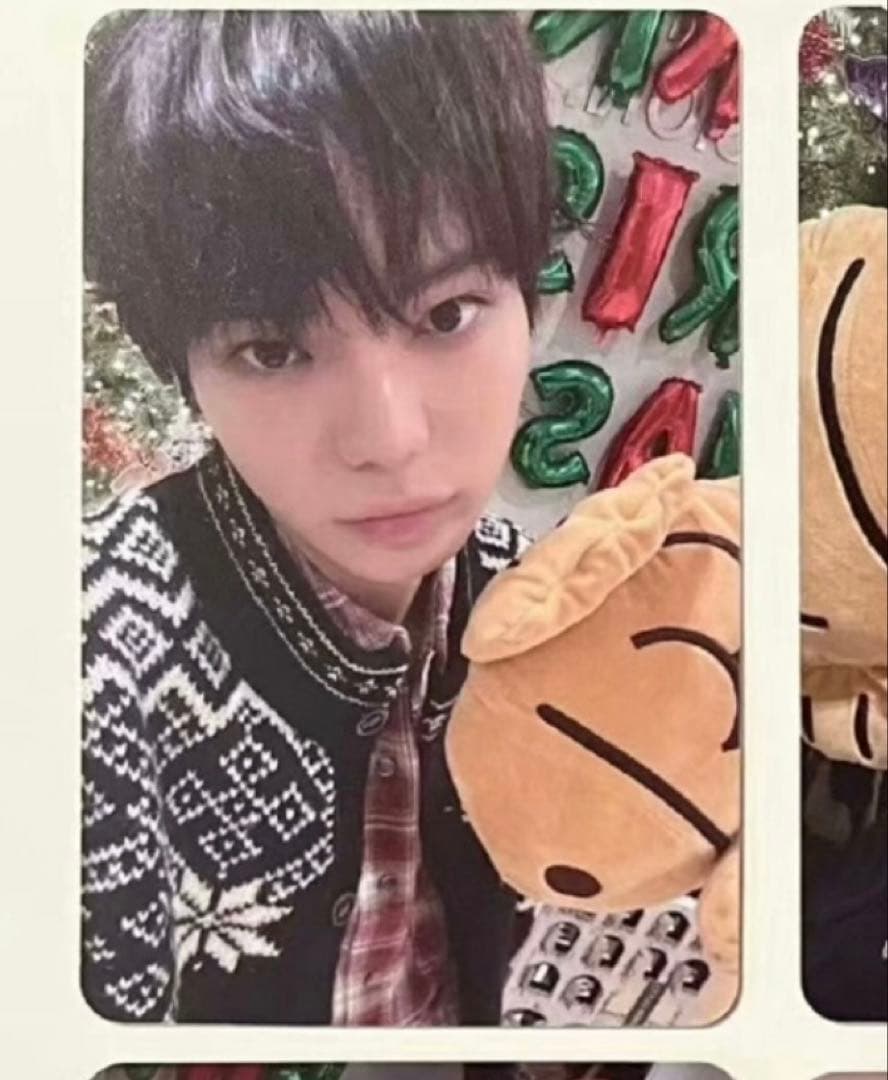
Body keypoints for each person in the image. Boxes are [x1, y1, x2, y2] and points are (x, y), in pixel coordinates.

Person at [81, 11, 553, 1025]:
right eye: (272, 350)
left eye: (446, 314)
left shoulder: (553, 613)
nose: (387, 438)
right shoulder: (86, 659)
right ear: (184, 370)